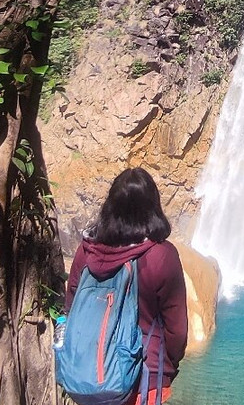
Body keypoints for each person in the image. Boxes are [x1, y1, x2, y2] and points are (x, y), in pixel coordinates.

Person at [65, 167, 188, 405]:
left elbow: (71, 306)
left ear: (110, 206)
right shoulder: (161, 256)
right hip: (143, 378)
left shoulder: (87, 251)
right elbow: (177, 330)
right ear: (153, 208)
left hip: (91, 374)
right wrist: (166, 364)